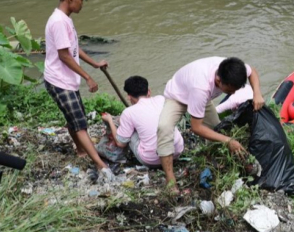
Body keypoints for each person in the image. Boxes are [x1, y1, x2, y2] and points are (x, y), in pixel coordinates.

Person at [43, 0, 114, 182]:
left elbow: (73, 48)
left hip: (66, 80)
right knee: (80, 124)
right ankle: (101, 165)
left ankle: (82, 151)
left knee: (75, 118)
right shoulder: (58, 22)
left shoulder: (66, 19)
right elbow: (64, 55)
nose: (82, 4)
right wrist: (88, 77)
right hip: (59, 81)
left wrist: (94, 64)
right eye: (81, 0)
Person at [157, 57, 265, 192]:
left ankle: (213, 163)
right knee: (164, 127)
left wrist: (257, 93)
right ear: (219, 81)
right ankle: (170, 181)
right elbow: (196, 127)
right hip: (178, 96)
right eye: (231, 90)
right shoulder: (200, 87)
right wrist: (229, 141)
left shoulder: (231, 67)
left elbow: (252, 71)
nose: (233, 93)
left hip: (203, 98)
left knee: (218, 131)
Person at [101, 76, 184, 168]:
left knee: (127, 133)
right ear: (149, 91)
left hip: (153, 160)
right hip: (177, 151)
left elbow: (120, 143)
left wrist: (110, 120)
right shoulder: (161, 99)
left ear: (129, 97)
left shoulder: (129, 112)